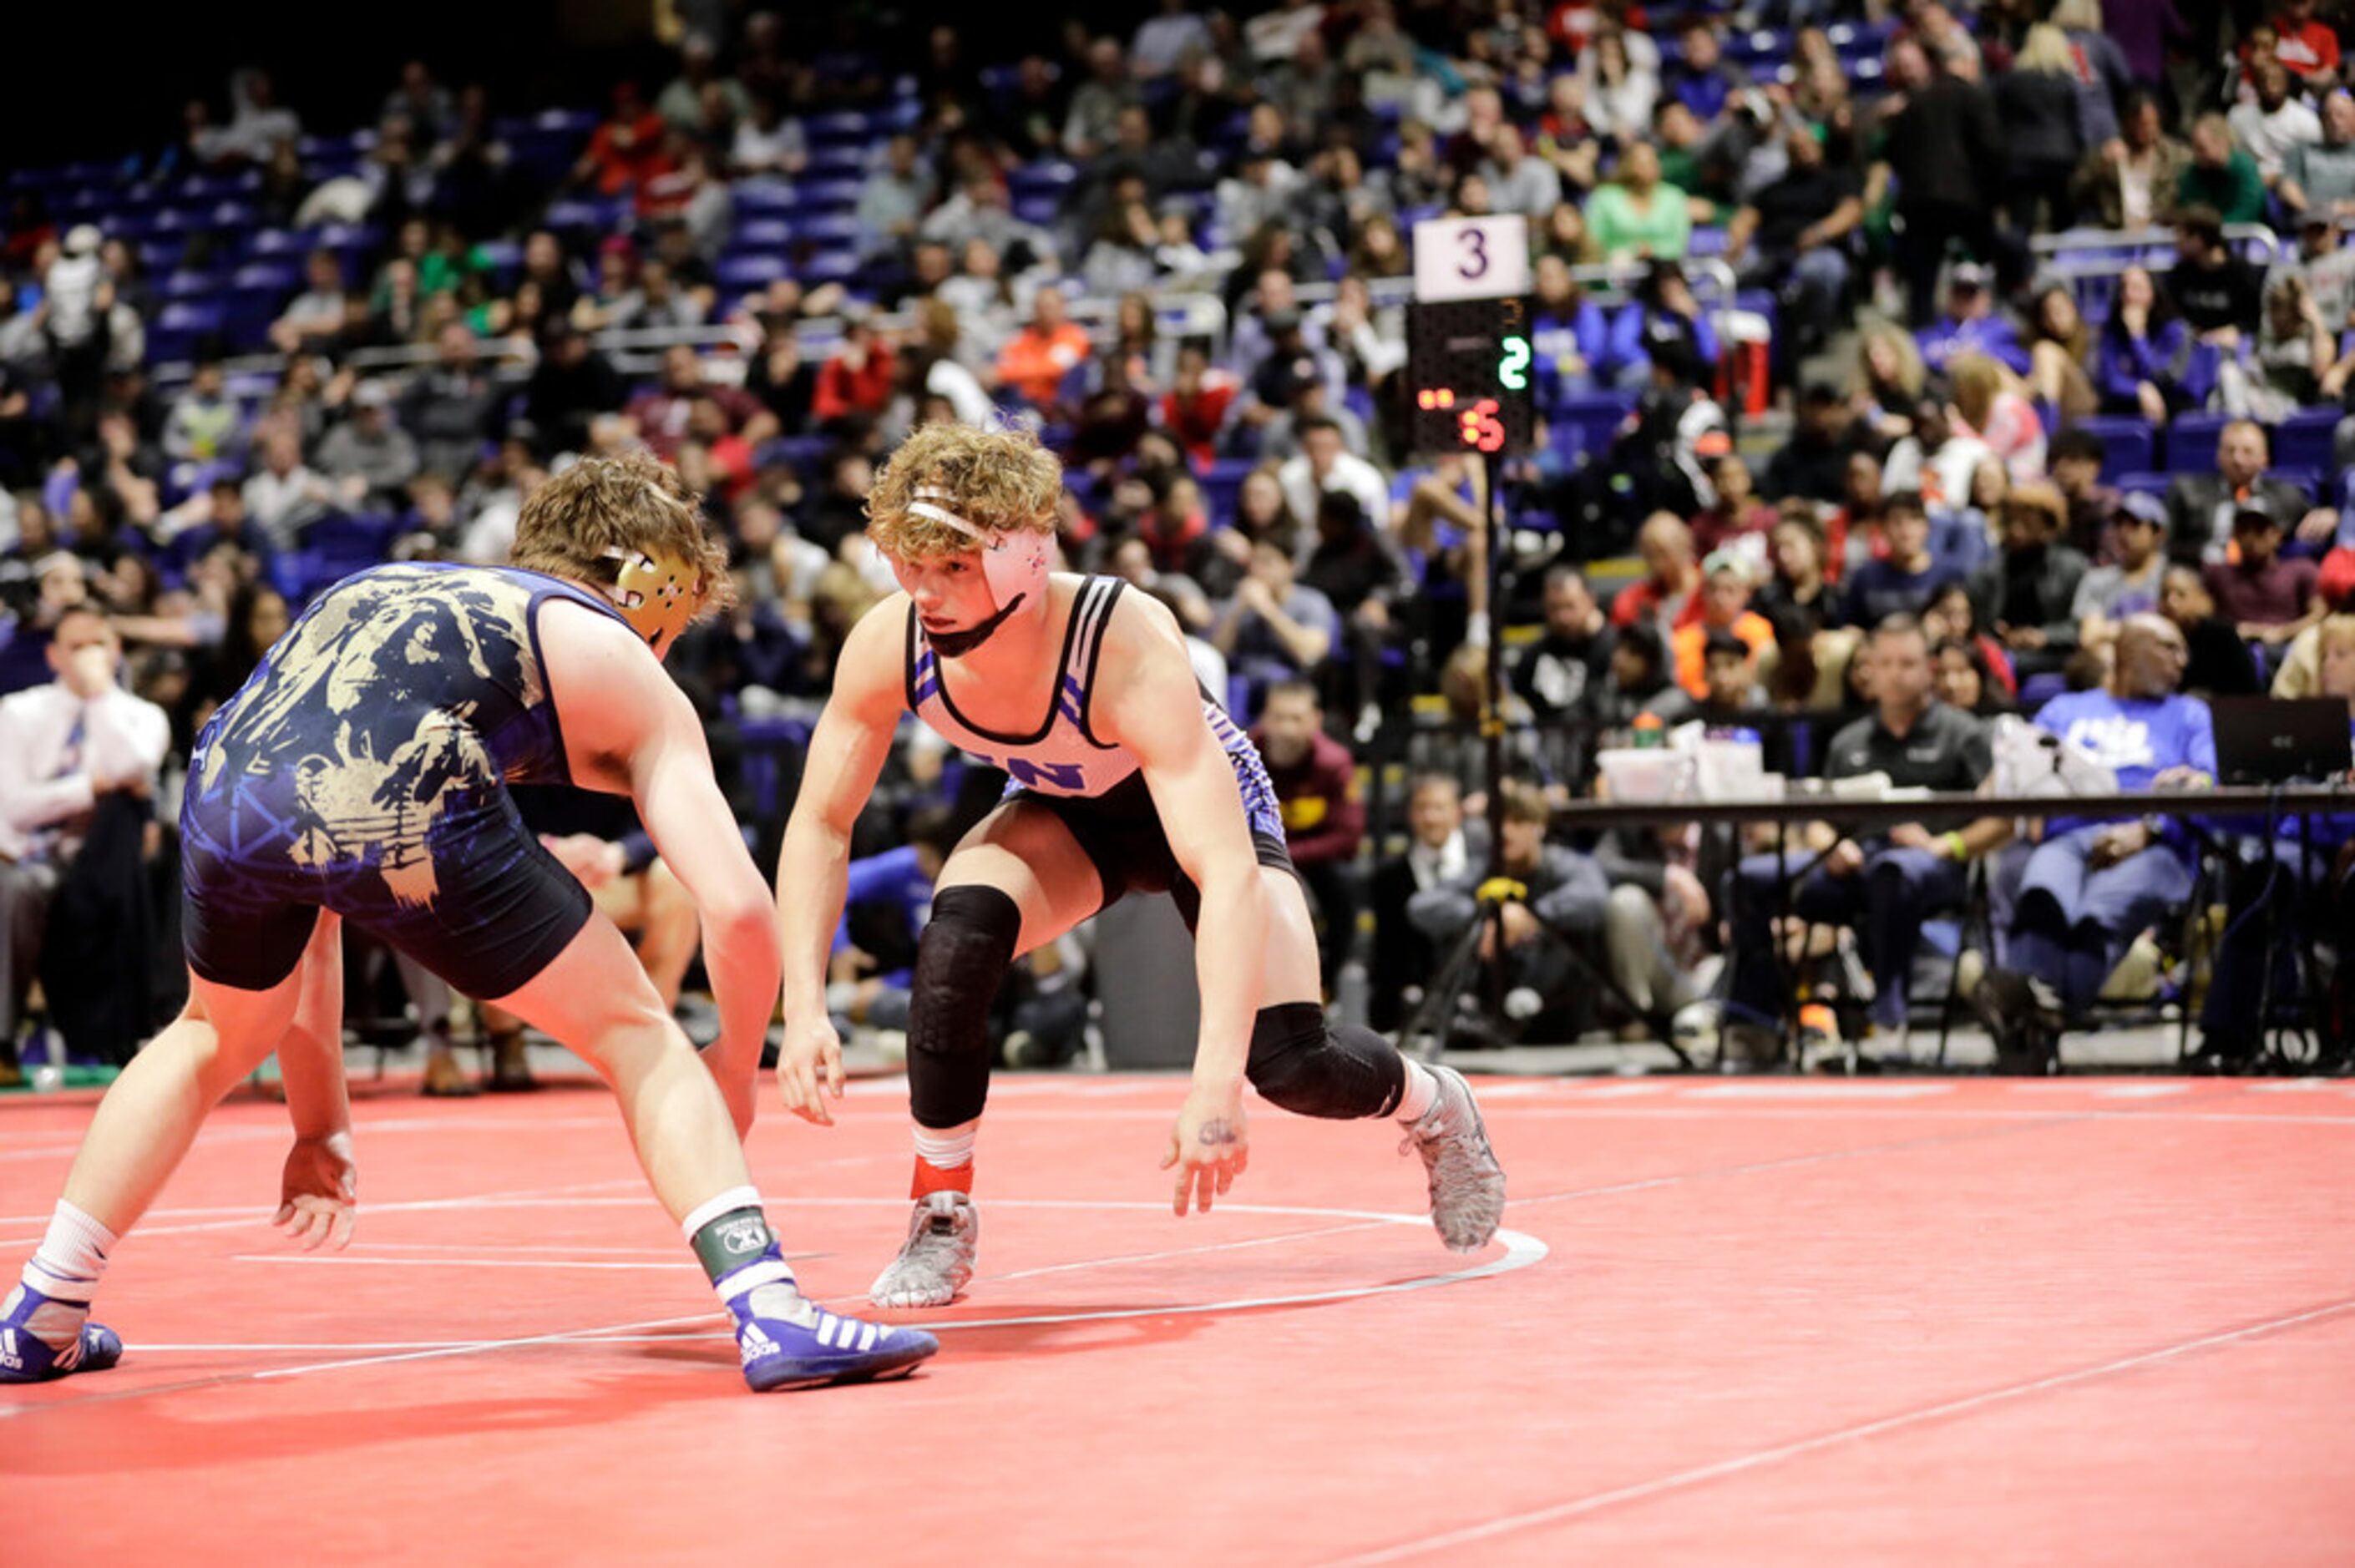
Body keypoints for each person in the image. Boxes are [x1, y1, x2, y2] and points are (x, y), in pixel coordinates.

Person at [0, 453, 934, 1392]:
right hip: (407, 782)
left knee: (208, 1034)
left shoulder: (379, 588)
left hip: (224, 783)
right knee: (639, 1034)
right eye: (676, 627)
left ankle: (46, 1308)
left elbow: (312, 860)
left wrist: (321, 1124)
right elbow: (737, 909)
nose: (667, 652)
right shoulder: (617, 659)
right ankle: (772, 1313)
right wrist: (732, 1065)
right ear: (651, 584)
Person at [770, 422, 1506, 1311]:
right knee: (957, 941)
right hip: (1072, 814)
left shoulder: (1121, 641)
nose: (926, 594)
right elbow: (820, 819)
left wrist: (1212, 1089)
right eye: (909, 565)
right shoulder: (892, 641)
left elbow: (1223, 870)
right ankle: (940, 1209)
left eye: (953, 569)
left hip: (1202, 818)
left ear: (1024, 562)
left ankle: (1436, 1104)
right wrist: (805, 1005)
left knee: (1292, 1066)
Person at [1720, 615, 2002, 1049]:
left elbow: (2003, 818)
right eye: (1884, 663)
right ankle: (1754, 1019)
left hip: (1934, 870)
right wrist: (1828, 845)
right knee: (1750, 878)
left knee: (1894, 873)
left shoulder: (1963, 734)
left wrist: (1946, 845)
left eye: (1907, 663)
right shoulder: (1849, 741)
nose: (1895, 673)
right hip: (1851, 866)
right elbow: (1818, 819)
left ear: (1929, 667)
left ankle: (1890, 1018)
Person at [1973, 615, 2214, 1067]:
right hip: (2066, 835)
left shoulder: (2189, 715)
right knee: (2041, 895)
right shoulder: (2066, 710)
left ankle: (2027, 1024)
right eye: (2168, 647)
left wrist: (2149, 828)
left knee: (2095, 915)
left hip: (2157, 842)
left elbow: (2211, 784)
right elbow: (2020, 763)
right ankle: (2034, 1028)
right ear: (2127, 652)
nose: (2182, 660)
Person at [0, 608, 170, 1077]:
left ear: (115, 650)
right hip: (28, 856)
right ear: (54, 656)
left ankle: (124, 1032)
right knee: (13, 889)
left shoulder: (143, 715)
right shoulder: (18, 712)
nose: (87, 656)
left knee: (136, 853)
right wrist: (88, 786)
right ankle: (3, 1041)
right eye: (75, 648)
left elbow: (134, 766)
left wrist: (98, 696)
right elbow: (14, 805)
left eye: (96, 645)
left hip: (104, 865)